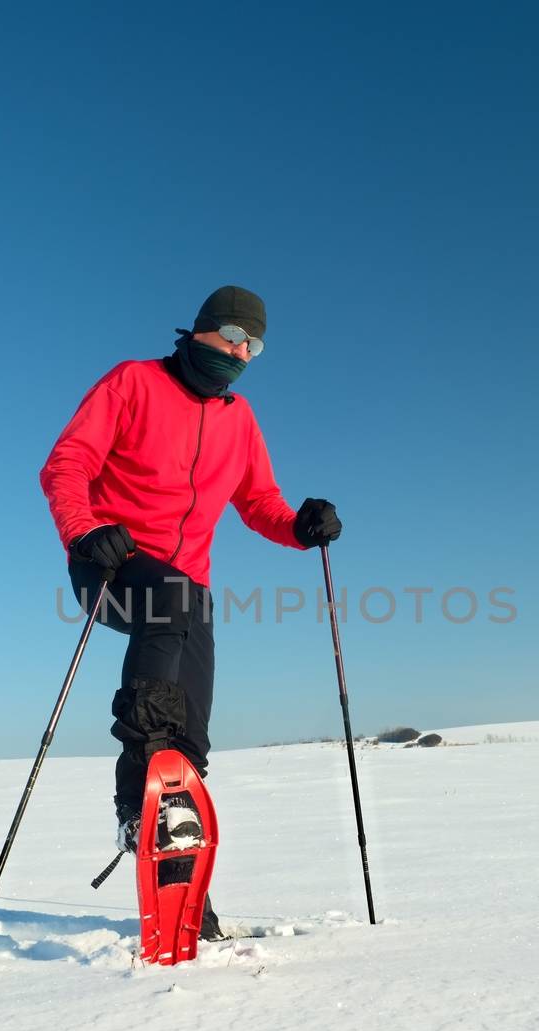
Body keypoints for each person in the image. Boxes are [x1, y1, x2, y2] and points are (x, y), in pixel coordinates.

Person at [39, 285, 342, 939]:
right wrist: (84, 531)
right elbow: (67, 463)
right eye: (231, 334)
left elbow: (260, 501)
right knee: (171, 614)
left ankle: (177, 868)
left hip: (183, 593)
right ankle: (134, 801)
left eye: (252, 344)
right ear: (200, 329)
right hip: (109, 563)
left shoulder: (241, 421)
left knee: (191, 732)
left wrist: (301, 527)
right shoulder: (134, 382)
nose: (239, 350)